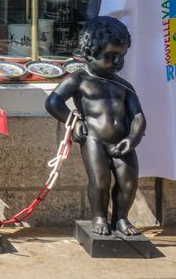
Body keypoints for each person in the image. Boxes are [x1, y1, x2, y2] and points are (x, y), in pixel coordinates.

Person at [45, 16, 146, 236]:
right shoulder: (80, 79)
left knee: (128, 183)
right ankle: (99, 216)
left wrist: (132, 138)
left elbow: (138, 116)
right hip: (94, 139)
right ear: (90, 53)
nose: (117, 63)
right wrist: (74, 122)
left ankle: (120, 218)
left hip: (122, 141)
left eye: (121, 57)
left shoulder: (124, 86)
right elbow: (53, 102)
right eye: (110, 56)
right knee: (101, 181)